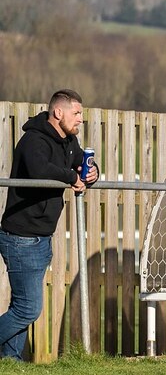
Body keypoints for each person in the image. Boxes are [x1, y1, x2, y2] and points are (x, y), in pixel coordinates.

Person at [0, 90, 98, 361]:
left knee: (21, 305)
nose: (81, 119)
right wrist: (70, 176)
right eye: (76, 113)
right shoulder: (34, 140)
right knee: (29, 309)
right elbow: (39, 170)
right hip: (21, 237)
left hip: (42, 236)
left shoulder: (69, 141)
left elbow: (82, 164)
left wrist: (92, 173)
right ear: (58, 113)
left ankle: (10, 360)